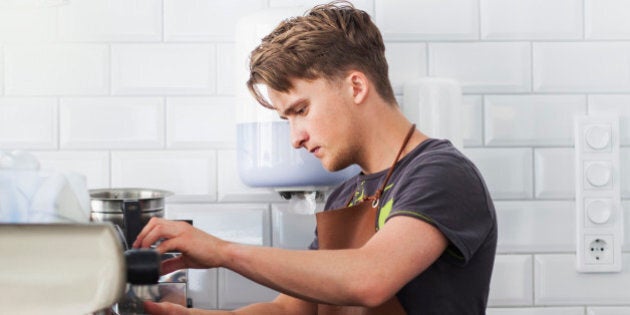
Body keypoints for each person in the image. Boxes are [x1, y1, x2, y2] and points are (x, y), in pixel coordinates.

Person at [133, 1, 497, 314]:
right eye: (286, 119)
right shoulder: (343, 196)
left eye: (301, 110)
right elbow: (288, 310)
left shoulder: (441, 174)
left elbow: (369, 278)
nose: (295, 139)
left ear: (356, 86)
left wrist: (223, 252)